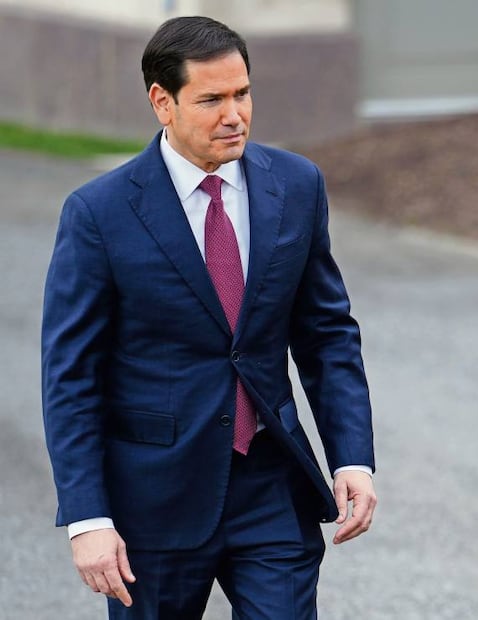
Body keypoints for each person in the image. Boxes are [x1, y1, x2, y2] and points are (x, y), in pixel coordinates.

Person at [41, 16, 376, 618]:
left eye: (242, 93)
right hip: (154, 503)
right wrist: (87, 517)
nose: (234, 115)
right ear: (162, 102)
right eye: (211, 99)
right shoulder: (99, 213)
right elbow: (71, 376)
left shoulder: (297, 185)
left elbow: (326, 334)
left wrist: (351, 456)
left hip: (271, 485)